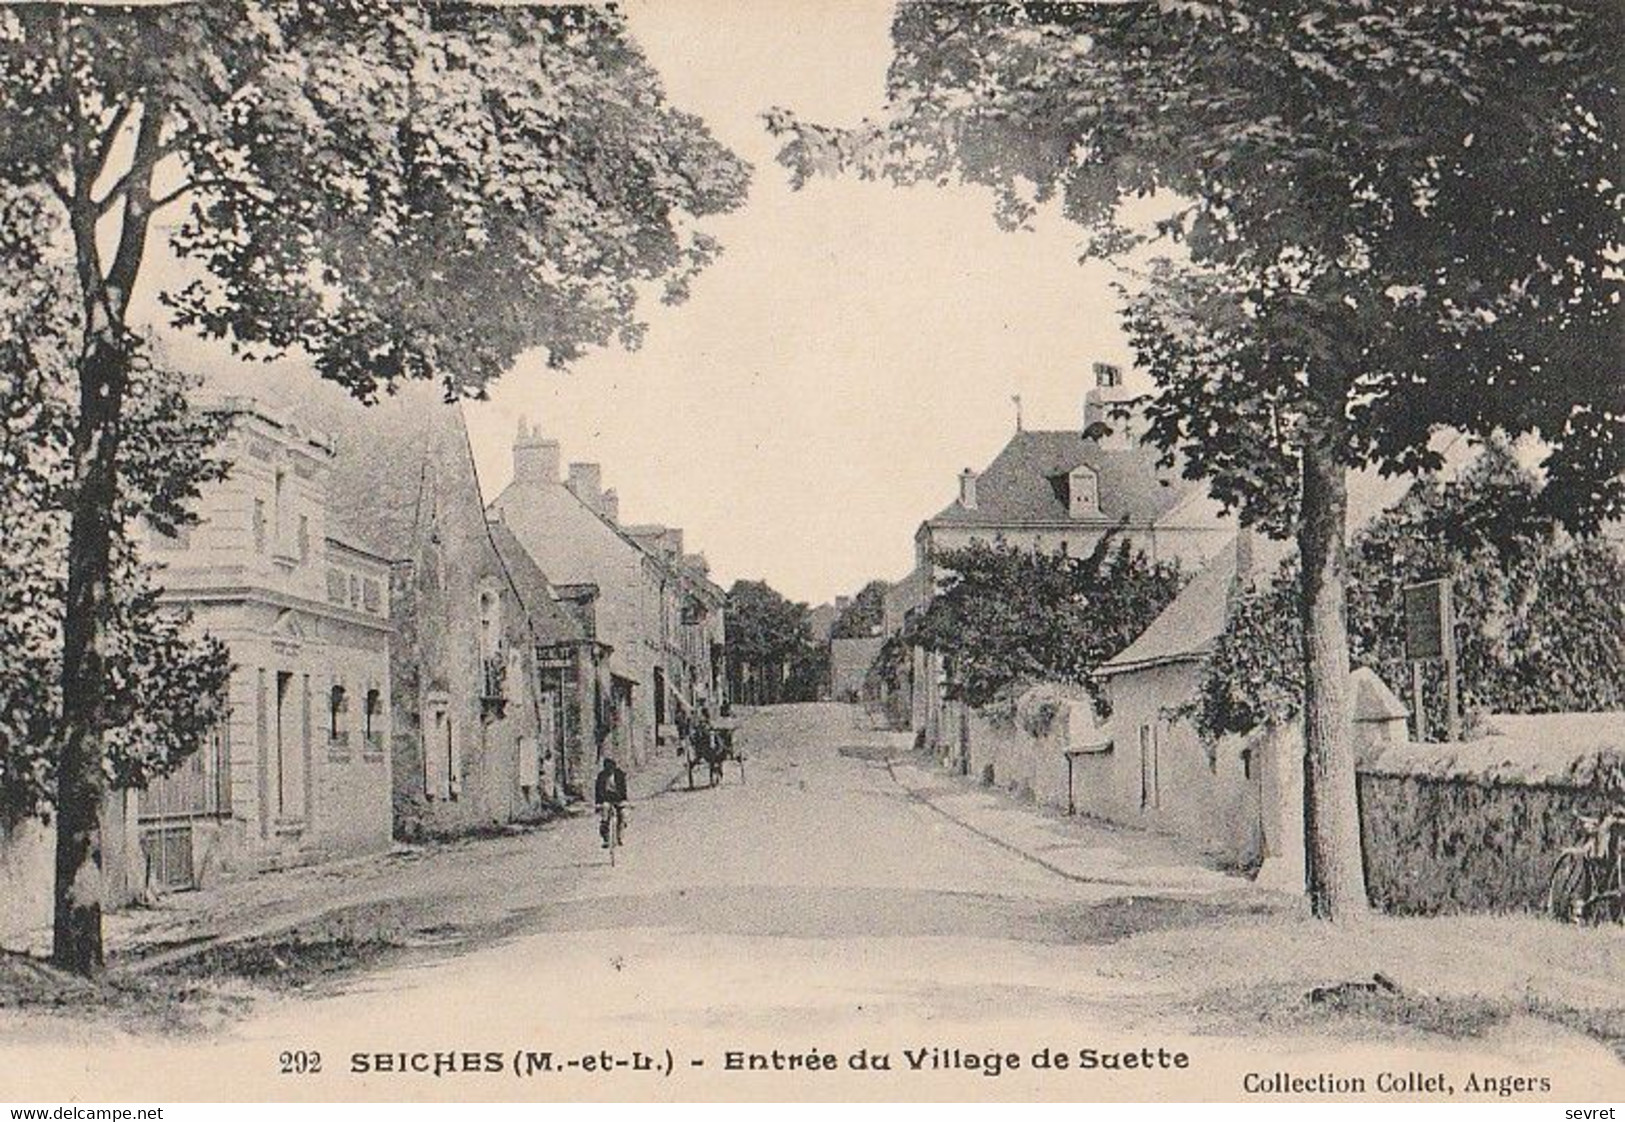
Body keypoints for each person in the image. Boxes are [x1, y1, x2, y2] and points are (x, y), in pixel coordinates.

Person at [595, 756, 628, 847]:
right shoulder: (601, 776)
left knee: (623, 814)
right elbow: (598, 791)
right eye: (607, 768)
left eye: (611, 768)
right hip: (606, 799)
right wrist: (598, 803)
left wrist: (624, 800)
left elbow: (623, 789)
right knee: (605, 811)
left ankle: (620, 836)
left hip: (618, 799)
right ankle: (606, 838)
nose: (610, 771)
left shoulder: (620, 775)